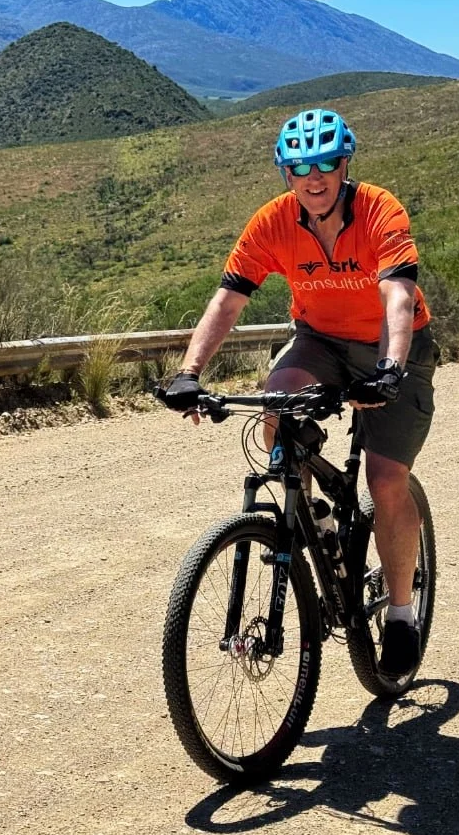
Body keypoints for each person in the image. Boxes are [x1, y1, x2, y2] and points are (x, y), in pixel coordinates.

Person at [160, 107, 437, 679]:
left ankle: (404, 614)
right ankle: (313, 517)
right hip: (319, 341)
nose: (314, 178)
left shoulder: (380, 209)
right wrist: (189, 373)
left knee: (386, 480)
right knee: (275, 408)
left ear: (344, 165)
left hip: (393, 345)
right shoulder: (273, 222)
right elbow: (228, 300)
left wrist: (388, 370)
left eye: (326, 165)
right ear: (286, 173)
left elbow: (399, 301)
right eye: (300, 167)